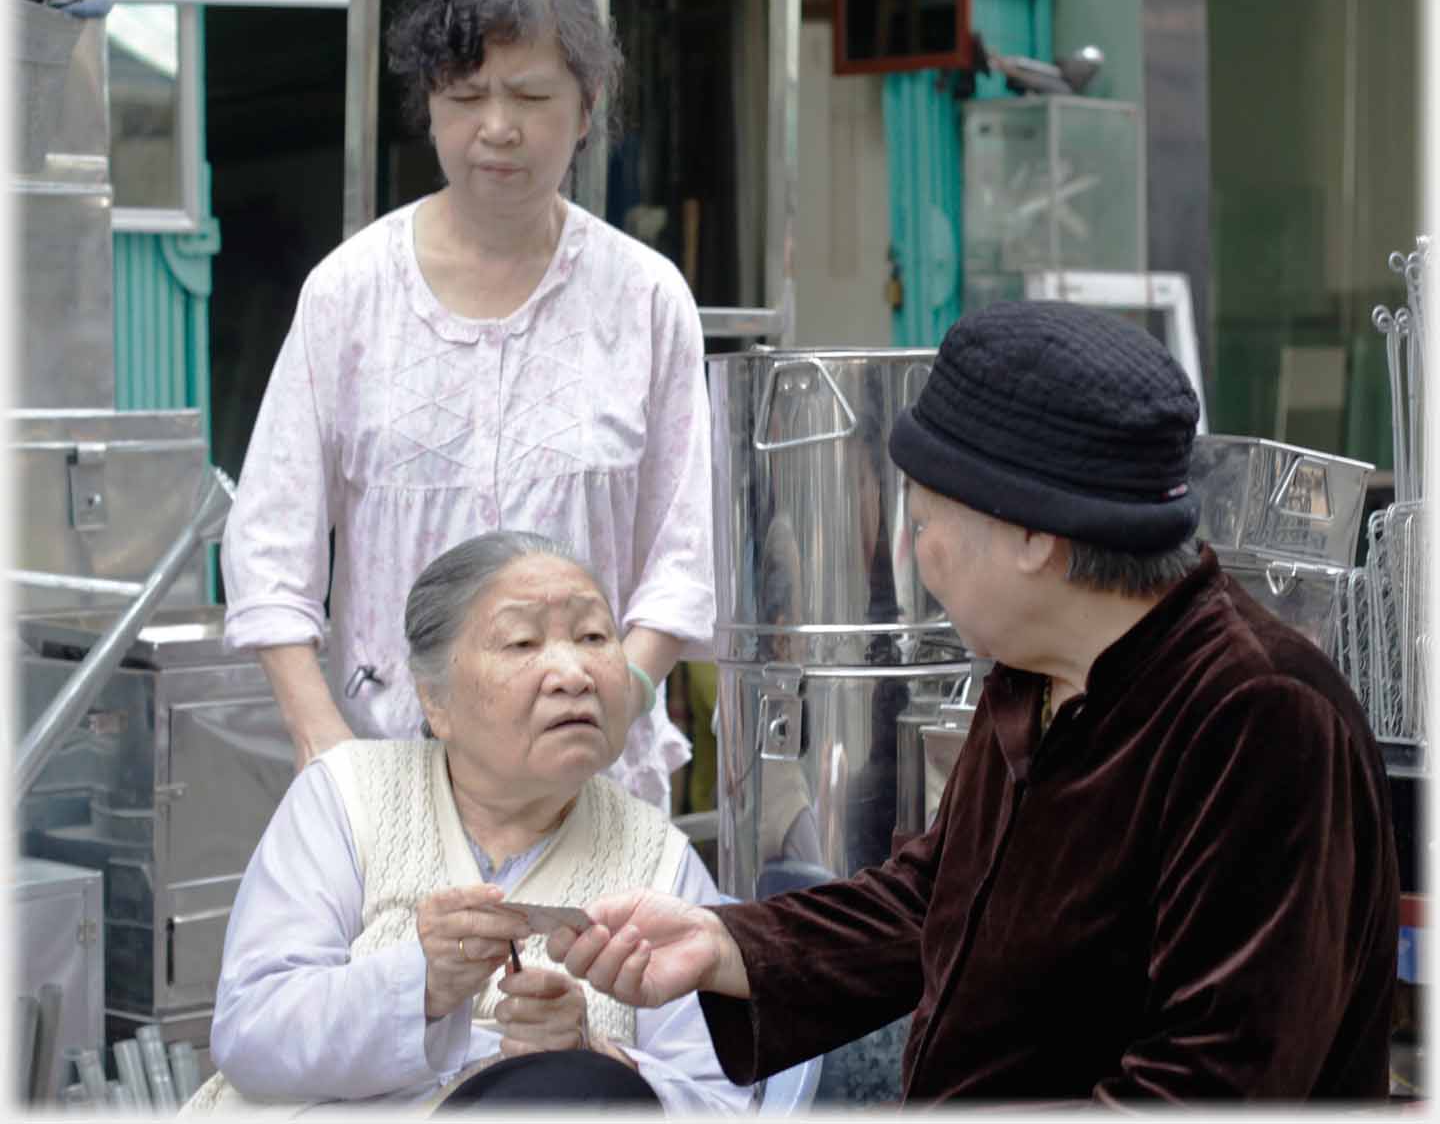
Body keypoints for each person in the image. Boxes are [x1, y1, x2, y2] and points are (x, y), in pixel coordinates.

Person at [547, 300, 1402, 1104]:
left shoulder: (1261, 719)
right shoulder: (1040, 668)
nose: (916, 557)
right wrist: (725, 942)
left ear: (1035, 536)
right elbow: (937, 898)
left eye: (925, 522)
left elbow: (1212, 1082)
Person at [219, 0, 711, 808]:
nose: (498, 127)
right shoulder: (349, 294)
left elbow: (682, 555)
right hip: (391, 778)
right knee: (408, 953)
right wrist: (320, 736)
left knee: (600, 952)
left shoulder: (643, 298)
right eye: (466, 96)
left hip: (595, 787)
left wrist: (618, 701)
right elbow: (268, 548)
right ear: (430, 107)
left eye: (530, 95)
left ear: (587, 108)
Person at [186, 531, 751, 1114]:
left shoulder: (658, 857)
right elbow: (250, 1033)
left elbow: (723, 1101)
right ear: (435, 700)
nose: (573, 673)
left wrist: (592, 1058)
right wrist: (422, 987)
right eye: (522, 642)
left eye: (593, 636)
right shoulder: (346, 796)